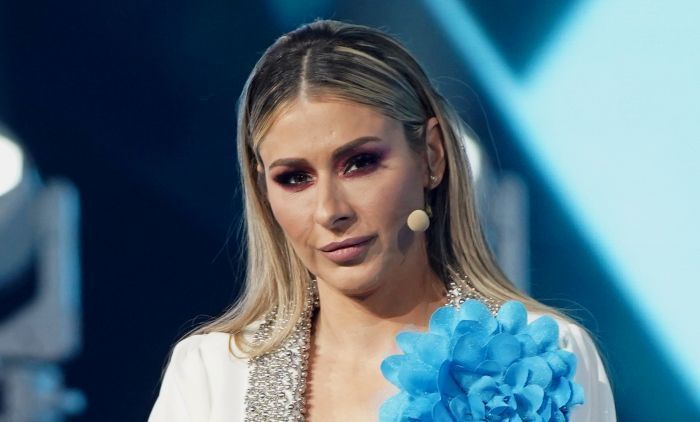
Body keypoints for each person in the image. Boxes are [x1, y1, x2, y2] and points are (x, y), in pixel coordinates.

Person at [148, 19, 616, 421]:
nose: (331, 210)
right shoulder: (213, 375)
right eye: (294, 178)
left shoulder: (549, 357)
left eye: (360, 163)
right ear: (262, 189)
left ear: (431, 156)